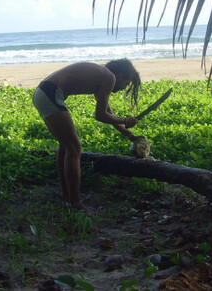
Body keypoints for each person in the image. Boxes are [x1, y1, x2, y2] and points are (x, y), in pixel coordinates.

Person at [32, 58, 143, 213]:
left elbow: (108, 112)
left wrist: (128, 133)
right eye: (127, 83)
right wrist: (125, 120)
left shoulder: (102, 76)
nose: (125, 87)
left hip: (43, 93)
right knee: (74, 148)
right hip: (50, 94)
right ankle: (76, 203)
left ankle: (68, 196)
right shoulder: (109, 77)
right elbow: (100, 115)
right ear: (121, 75)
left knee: (65, 146)